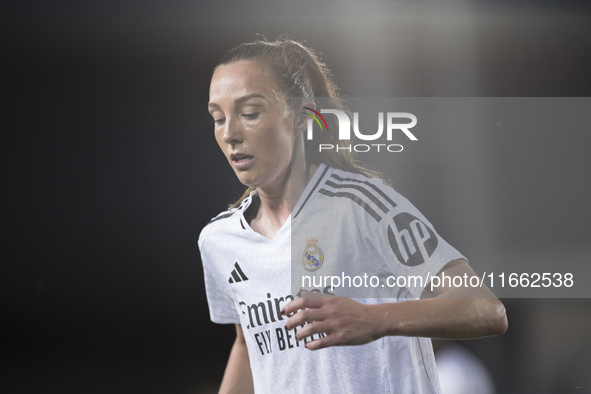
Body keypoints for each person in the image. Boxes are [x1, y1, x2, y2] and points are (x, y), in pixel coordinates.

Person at [199, 37, 507, 394]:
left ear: (303, 117)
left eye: (249, 113)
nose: (229, 133)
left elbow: (485, 308)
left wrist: (373, 319)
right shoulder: (220, 241)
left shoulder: (363, 206)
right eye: (218, 118)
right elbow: (247, 345)